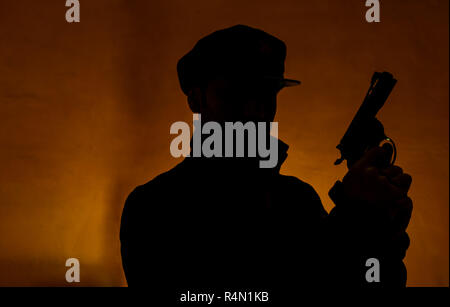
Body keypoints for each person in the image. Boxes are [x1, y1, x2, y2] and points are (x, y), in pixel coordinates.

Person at [120, 25, 413, 293]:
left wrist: (380, 228)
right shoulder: (152, 207)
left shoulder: (298, 200)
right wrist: (353, 218)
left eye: (264, 95)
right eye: (235, 95)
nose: (255, 112)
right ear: (195, 99)